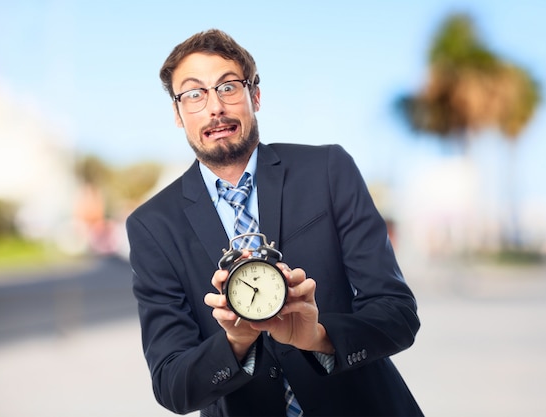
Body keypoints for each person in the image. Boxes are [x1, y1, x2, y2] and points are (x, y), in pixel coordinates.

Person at [126, 28, 424, 417]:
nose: (214, 107)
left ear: (256, 97)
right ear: (178, 114)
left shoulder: (328, 171)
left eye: (228, 87)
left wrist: (319, 337)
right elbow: (172, 385)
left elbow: (397, 314)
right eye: (194, 94)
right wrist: (235, 342)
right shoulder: (152, 225)